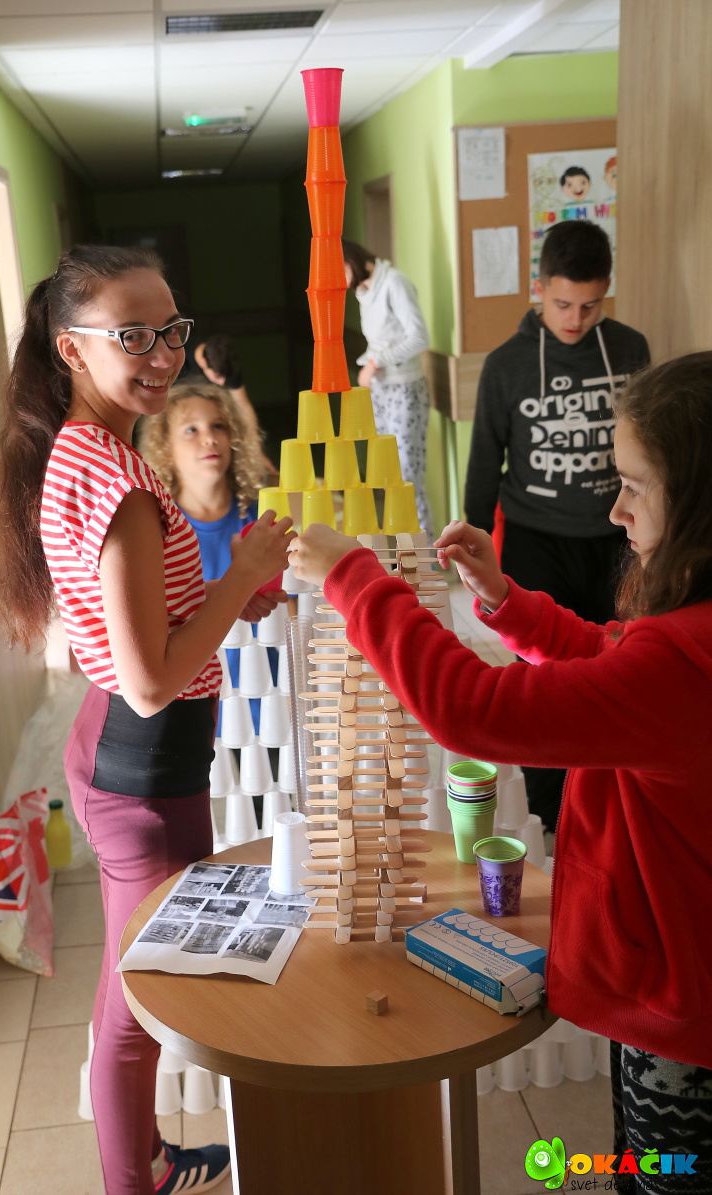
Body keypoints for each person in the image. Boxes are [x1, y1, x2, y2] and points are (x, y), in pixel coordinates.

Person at [289, 352, 712, 1193]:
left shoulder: (681, 665)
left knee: (668, 1172)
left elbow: (468, 707)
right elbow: (609, 656)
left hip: (686, 1010)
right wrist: (504, 600)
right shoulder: (686, 637)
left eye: (635, 486)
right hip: (681, 975)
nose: (615, 509)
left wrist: (353, 578)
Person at [0, 244, 294, 1195]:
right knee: (136, 1004)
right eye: (133, 336)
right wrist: (243, 573)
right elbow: (152, 679)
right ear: (72, 348)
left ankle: (149, 1158)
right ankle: (138, 1180)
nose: (161, 355)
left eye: (170, 329)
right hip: (144, 772)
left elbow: (134, 626)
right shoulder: (118, 481)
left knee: (134, 985)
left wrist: (221, 597)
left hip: (124, 752)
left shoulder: (88, 451)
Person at [464, 219, 651, 831]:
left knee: (616, 668)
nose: (576, 319)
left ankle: (611, 798)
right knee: (542, 677)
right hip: (536, 538)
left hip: (617, 538)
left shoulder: (630, 349)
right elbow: (485, 458)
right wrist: (474, 542)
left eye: (591, 305)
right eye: (564, 304)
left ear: (606, 292)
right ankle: (548, 812)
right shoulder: (507, 364)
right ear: (540, 287)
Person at [140, 380, 274, 728]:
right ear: (165, 447)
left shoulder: (261, 516)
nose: (210, 438)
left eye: (218, 426)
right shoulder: (154, 531)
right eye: (191, 430)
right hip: (196, 710)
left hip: (270, 699)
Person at [342, 237, 434, 540]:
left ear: (350, 260)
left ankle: (429, 558)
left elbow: (419, 338)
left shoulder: (394, 282)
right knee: (388, 476)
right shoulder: (364, 291)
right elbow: (381, 341)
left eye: (338, 270)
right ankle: (403, 553)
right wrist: (367, 366)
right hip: (380, 390)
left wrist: (375, 363)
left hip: (404, 389)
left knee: (408, 480)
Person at [179, 331, 273, 475]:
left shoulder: (226, 361)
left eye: (225, 378)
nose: (223, 382)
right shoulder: (179, 360)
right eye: (218, 376)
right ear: (203, 362)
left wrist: (256, 452)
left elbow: (242, 406)